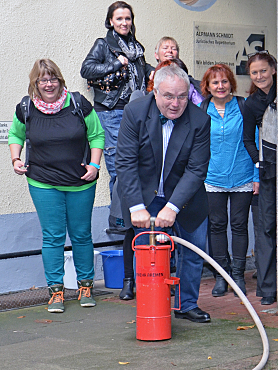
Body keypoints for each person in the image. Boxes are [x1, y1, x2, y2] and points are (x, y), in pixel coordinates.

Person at [116, 63, 211, 323]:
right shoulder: (134, 112)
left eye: (182, 96)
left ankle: (186, 304)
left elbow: (196, 169)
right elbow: (125, 162)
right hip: (145, 197)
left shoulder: (200, 119)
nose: (176, 103)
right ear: (155, 92)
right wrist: (136, 206)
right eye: (168, 96)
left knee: (192, 253)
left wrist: (173, 206)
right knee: (150, 254)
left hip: (187, 199)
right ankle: (150, 306)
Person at [8, 59, 105, 313]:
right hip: (42, 182)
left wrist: (94, 166)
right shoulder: (26, 108)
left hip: (80, 182)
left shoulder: (77, 103)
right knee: (52, 236)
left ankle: (85, 287)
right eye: (43, 80)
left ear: (60, 81)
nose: (48, 84)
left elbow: (96, 135)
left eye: (53, 79)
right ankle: (56, 292)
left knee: (81, 234)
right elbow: (16, 135)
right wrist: (16, 159)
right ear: (35, 83)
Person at [80, 1, 154, 200]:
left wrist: (153, 71)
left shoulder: (136, 48)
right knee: (118, 167)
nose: (124, 22)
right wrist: (115, 63)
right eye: (119, 18)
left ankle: (135, 217)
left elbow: (140, 68)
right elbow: (86, 69)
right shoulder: (103, 44)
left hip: (137, 110)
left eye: (127, 18)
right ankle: (119, 219)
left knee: (138, 165)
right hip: (112, 110)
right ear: (110, 21)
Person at [199, 64, 254, 297]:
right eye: (215, 82)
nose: (220, 86)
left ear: (231, 83)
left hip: (242, 174)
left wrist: (257, 174)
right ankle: (221, 276)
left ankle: (239, 276)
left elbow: (254, 139)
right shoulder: (201, 109)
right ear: (208, 87)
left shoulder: (243, 106)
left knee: (240, 226)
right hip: (212, 177)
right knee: (217, 226)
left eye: (224, 81)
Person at [243, 51, 277, 305]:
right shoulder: (252, 103)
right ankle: (267, 289)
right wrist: (258, 160)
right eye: (254, 73)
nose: (259, 76)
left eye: (263, 71)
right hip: (268, 172)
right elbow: (247, 138)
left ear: (273, 69)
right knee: (265, 228)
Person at [154, 36, 204, 105]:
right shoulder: (150, 77)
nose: (169, 51)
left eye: (173, 49)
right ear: (156, 55)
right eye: (165, 48)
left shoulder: (189, 81)